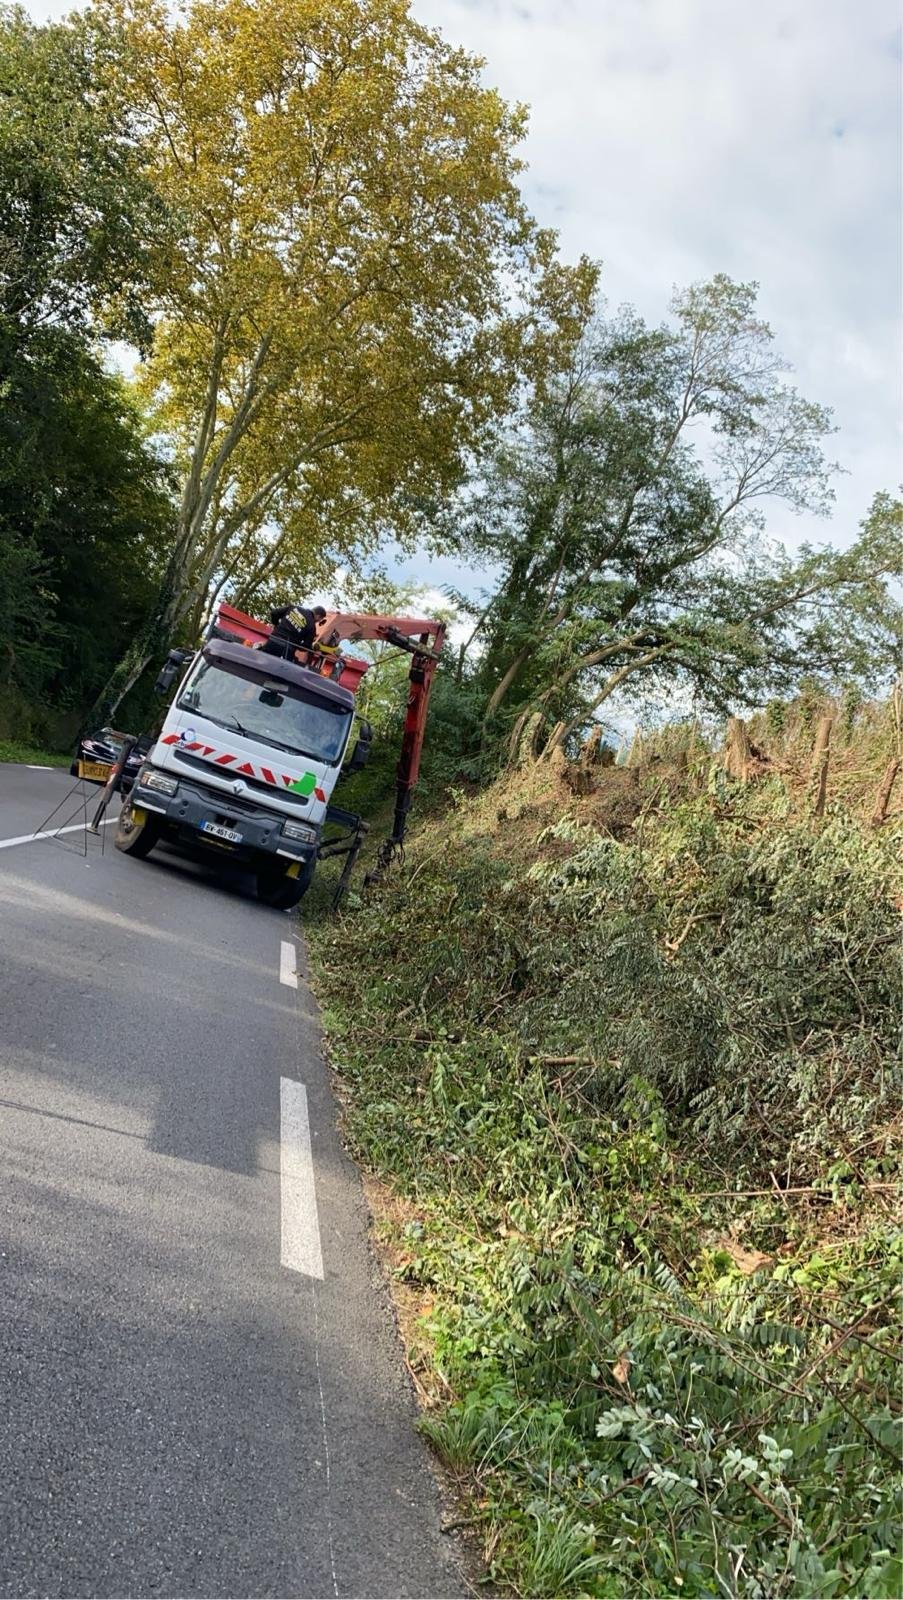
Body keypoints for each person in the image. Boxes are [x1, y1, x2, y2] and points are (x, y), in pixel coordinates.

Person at [260, 603, 326, 660]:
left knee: (261, 663)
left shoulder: (294, 608)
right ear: (318, 616)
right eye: (319, 620)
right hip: (286, 650)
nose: (317, 622)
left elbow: (274, 613)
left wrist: (276, 625)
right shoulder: (312, 626)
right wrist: (296, 644)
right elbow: (305, 647)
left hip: (273, 641)